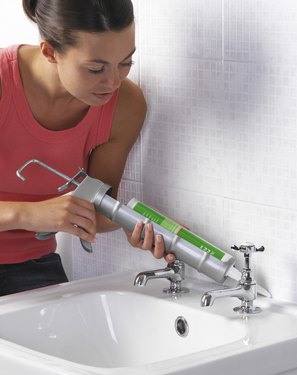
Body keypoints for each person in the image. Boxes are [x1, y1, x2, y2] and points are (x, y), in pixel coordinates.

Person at [0, 0, 172, 297]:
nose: (113, 82)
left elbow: (96, 210)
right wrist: (30, 215)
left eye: (125, 62)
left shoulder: (125, 107)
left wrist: (137, 224)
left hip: (33, 266)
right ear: (50, 52)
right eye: (95, 69)